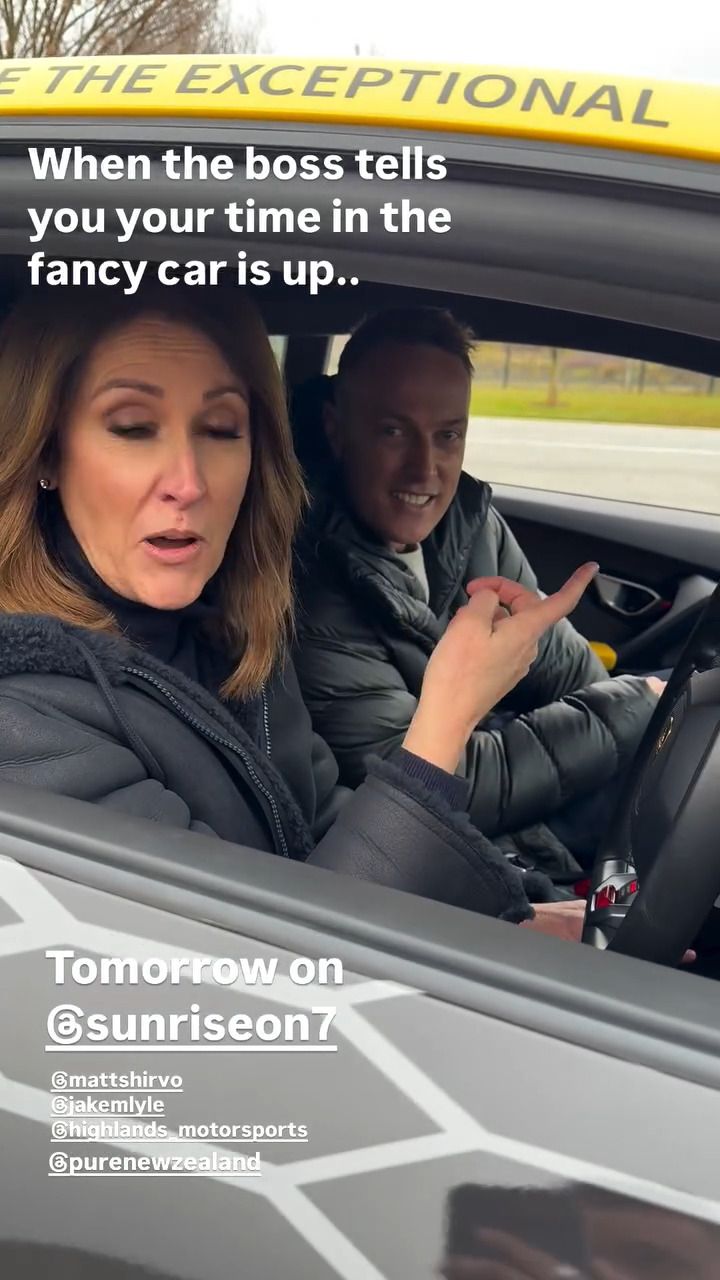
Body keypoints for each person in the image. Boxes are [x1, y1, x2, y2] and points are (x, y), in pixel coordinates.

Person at [0, 285, 595, 939]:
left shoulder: (235, 635)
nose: (189, 483)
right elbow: (265, 966)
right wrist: (444, 723)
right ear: (48, 450)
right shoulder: (23, 720)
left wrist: (520, 918)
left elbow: (319, 832)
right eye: (134, 428)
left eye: (221, 430)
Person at [292, 307, 663, 869]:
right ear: (336, 430)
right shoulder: (308, 583)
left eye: (448, 435)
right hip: (460, 838)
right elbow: (432, 780)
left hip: (522, 799)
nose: (425, 470)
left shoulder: (469, 522)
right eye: (393, 431)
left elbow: (564, 666)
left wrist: (632, 710)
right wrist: (633, 706)